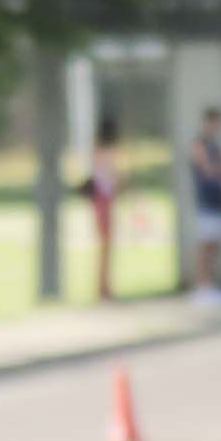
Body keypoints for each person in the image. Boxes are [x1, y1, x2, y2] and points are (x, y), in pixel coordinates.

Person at [187, 108, 221, 302]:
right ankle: (202, 285)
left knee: (214, 244)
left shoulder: (215, 145)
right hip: (207, 200)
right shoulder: (200, 144)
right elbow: (209, 170)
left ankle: (209, 283)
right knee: (206, 244)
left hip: (218, 200)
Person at [88, 115, 121, 302]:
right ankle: (103, 288)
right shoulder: (105, 153)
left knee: (106, 246)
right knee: (105, 245)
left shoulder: (99, 151)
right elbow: (108, 180)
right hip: (104, 201)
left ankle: (105, 286)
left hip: (102, 201)